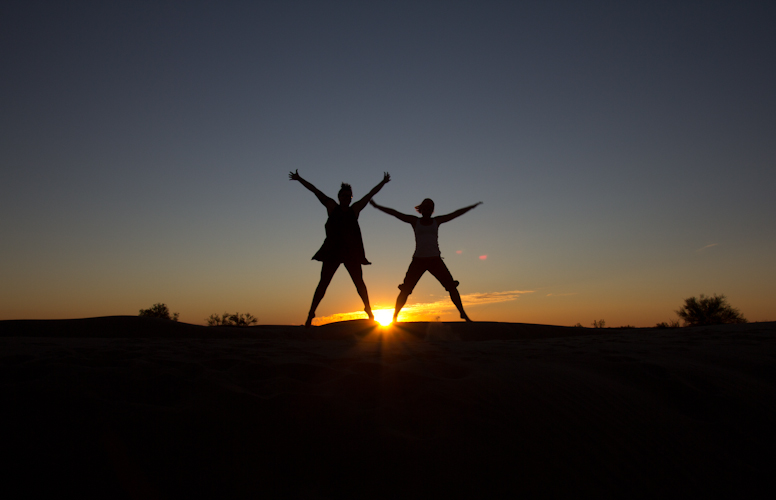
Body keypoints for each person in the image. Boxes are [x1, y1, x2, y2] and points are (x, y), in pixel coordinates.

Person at [289, 170, 390, 326]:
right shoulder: (331, 207)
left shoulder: (354, 209)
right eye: (343, 196)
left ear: (351, 198)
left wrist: (383, 183)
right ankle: (311, 315)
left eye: (348, 196)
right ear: (339, 197)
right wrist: (299, 178)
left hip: (351, 253)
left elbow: (370, 195)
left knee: (359, 283)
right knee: (323, 284)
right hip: (333, 252)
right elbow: (315, 191)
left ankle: (369, 311)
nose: (346, 198)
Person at [370, 197, 482, 322]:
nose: (428, 210)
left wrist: (471, 207)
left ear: (432, 210)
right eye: (426, 207)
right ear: (421, 209)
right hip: (418, 260)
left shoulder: (437, 221)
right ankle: (395, 316)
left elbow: (454, 214)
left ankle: (462, 313)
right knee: (406, 289)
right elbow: (396, 213)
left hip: (435, 260)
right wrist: (376, 206)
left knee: (451, 286)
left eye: (430, 208)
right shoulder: (414, 221)